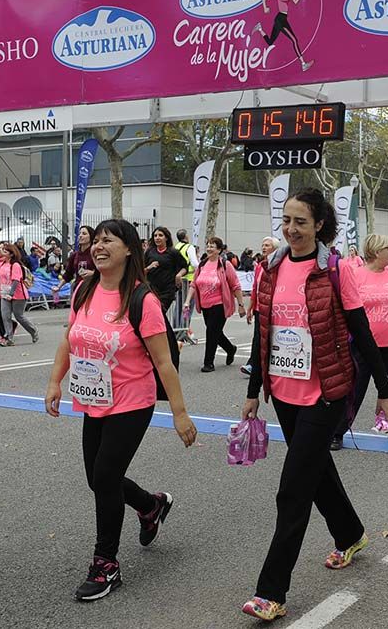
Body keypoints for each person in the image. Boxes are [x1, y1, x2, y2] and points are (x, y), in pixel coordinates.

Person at [240, 188, 388, 621]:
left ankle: (271, 591)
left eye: (301, 222)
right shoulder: (270, 269)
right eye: (287, 221)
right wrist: (254, 391)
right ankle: (350, 534)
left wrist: (386, 391)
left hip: (325, 392)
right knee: (317, 473)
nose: (291, 230)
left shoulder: (336, 271)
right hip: (283, 393)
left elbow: (361, 333)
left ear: (320, 227)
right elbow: (263, 332)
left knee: (292, 489)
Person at [45, 219, 197, 601]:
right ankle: (151, 505)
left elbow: (164, 362)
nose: (98, 247)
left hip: (132, 400)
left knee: (106, 475)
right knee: (97, 479)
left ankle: (106, 564)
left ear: (129, 249)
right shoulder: (84, 289)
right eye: (95, 241)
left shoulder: (142, 300)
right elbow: (69, 339)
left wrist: (180, 413)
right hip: (93, 398)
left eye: (107, 241)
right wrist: (54, 382)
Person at [331, 234, 388, 450]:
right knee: (353, 389)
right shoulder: (355, 274)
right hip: (362, 344)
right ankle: (337, 431)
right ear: (375, 252)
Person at [183, 236, 247, 372]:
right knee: (215, 333)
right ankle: (231, 349)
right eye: (208, 245)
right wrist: (187, 301)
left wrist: (241, 305)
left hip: (219, 305)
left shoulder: (225, 264)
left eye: (212, 246)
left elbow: (235, 285)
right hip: (205, 306)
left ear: (219, 250)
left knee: (211, 332)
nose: (209, 248)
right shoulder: (202, 265)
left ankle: (208, 363)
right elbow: (194, 284)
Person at [243, 236, 280, 376]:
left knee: (269, 337)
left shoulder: (278, 265)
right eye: (263, 245)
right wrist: (250, 308)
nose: (264, 248)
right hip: (259, 308)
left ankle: (260, 364)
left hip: (272, 308)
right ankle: (252, 364)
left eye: (267, 245)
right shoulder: (259, 266)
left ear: (275, 249)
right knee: (257, 337)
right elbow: (255, 288)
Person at [0, 243, 39, 346]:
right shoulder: (2, 263)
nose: (2, 252)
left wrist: (11, 294)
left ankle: (33, 331)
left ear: (11, 254)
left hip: (18, 294)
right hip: (4, 293)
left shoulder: (15, 265)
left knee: (18, 316)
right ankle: (9, 338)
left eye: (5, 251)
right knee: (5, 316)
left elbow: (16, 280)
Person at [144, 226, 188, 314]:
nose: (157, 238)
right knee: (155, 315)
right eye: (155, 236)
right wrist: (149, 267)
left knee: (159, 313)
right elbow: (140, 271)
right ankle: (166, 328)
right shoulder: (149, 252)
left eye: (160, 235)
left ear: (166, 238)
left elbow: (185, 267)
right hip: (151, 289)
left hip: (167, 291)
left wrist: (179, 275)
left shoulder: (173, 252)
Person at [174, 228, 200, 344]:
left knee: (178, 306)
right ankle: (183, 331)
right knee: (187, 306)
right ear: (186, 237)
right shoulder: (189, 247)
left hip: (178, 279)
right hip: (189, 279)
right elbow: (194, 263)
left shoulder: (175, 247)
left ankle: (176, 330)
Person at [53, 225, 95, 295]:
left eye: (84, 234)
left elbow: (104, 272)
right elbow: (68, 274)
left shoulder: (95, 254)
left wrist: (93, 273)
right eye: (79, 234)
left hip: (92, 289)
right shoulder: (74, 255)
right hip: (78, 289)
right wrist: (58, 287)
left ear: (91, 237)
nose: (80, 236)